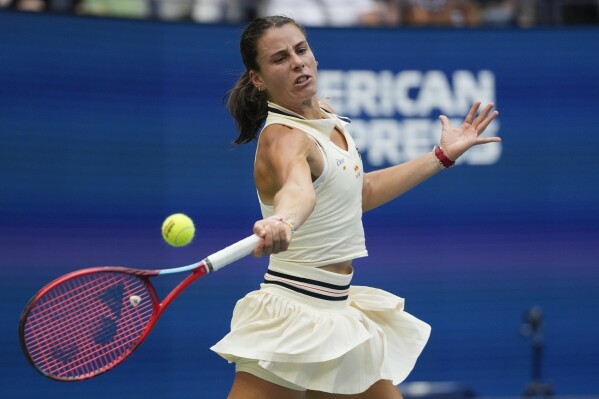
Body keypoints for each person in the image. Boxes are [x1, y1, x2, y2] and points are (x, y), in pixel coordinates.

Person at [210, 15, 500, 399]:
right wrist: (283, 219)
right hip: (292, 315)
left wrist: (441, 156)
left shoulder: (328, 119)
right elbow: (298, 190)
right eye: (280, 58)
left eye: (301, 50)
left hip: (337, 312)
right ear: (258, 78)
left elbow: (359, 194)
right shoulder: (283, 138)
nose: (297, 62)